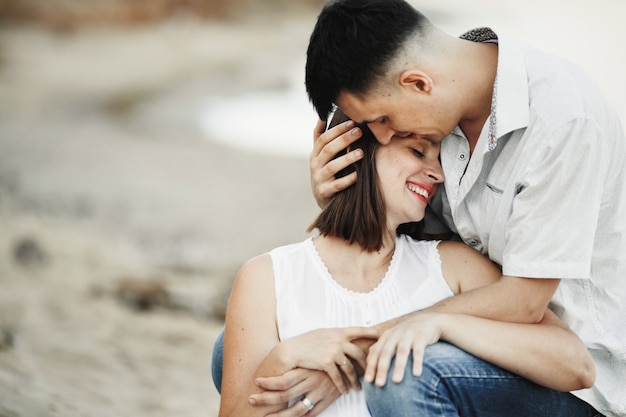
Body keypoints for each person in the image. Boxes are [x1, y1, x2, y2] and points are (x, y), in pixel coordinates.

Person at [299, 0, 625, 416]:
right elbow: (410, 245)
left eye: (381, 118)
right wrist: (340, 199)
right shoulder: (440, 116)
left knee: (402, 373)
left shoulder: (562, 121)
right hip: (465, 340)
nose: (381, 137)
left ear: (418, 83)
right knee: (258, 345)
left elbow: (525, 303)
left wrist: (367, 343)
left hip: (575, 381)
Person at [216, 110, 595, 417]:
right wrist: (282, 357)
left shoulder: (452, 266)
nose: (439, 174)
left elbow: (574, 363)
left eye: (439, 156)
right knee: (226, 350)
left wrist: (442, 324)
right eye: (417, 152)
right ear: (356, 152)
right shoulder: (267, 276)